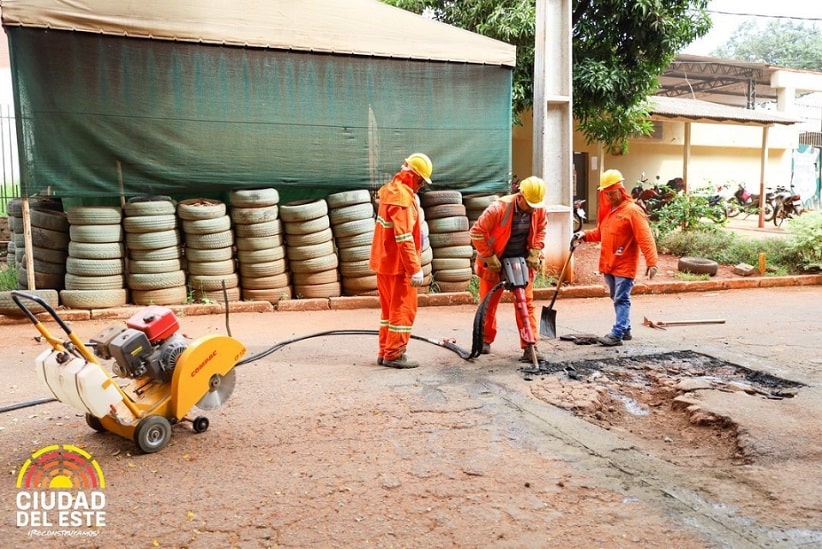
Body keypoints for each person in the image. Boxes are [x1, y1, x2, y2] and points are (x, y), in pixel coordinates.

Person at [573, 169, 658, 346]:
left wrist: (652, 262)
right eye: (607, 194)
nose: (610, 197)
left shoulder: (632, 211)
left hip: (625, 264)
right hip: (609, 263)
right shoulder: (609, 212)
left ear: (621, 190)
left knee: (621, 298)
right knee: (616, 296)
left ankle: (617, 333)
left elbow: (645, 237)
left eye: (612, 193)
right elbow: (601, 233)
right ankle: (626, 328)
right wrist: (584, 234)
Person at [469, 176, 548, 362]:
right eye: (529, 204)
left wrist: (536, 251)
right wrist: (489, 256)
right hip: (495, 262)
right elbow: (477, 232)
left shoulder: (538, 209)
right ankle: (484, 341)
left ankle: (531, 346)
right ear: (520, 196)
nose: (532, 208)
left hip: (521, 262)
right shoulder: (499, 208)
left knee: (525, 304)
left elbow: (542, 229)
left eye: (535, 205)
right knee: (488, 304)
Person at [369, 153, 432, 369]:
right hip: (398, 266)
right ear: (414, 176)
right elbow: (404, 237)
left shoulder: (390, 191)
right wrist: (415, 269)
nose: (422, 185)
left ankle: (384, 350)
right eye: (422, 180)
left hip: (384, 262)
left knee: (388, 311)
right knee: (403, 309)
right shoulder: (403, 199)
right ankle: (394, 354)